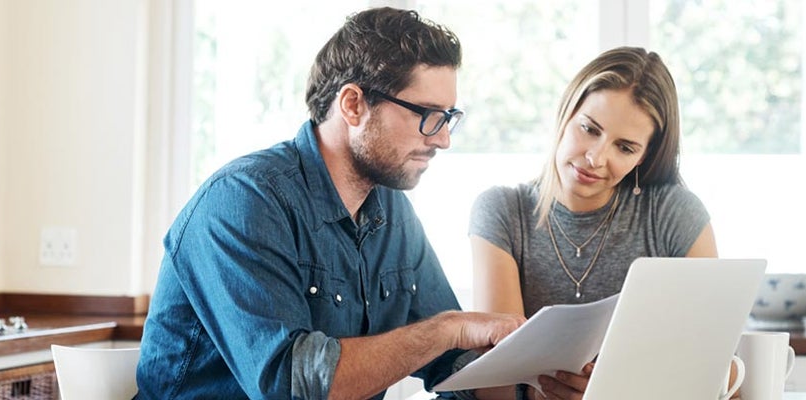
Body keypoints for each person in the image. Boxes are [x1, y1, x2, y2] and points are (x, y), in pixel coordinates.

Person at [136, 7, 523, 399]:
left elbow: (453, 362)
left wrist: (539, 379)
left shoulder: (392, 211)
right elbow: (290, 386)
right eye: (427, 115)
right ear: (353, 104)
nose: (442, 139)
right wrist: (446, 329)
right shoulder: (243, 200)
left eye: (448, 117)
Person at [468, 46, 720, 399]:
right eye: (589, 129)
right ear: (566, 112)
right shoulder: (502, 212)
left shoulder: (674, 215)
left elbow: (714, 362)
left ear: (645, 157)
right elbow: (496, 388)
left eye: (625, 147)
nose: (595, 158)